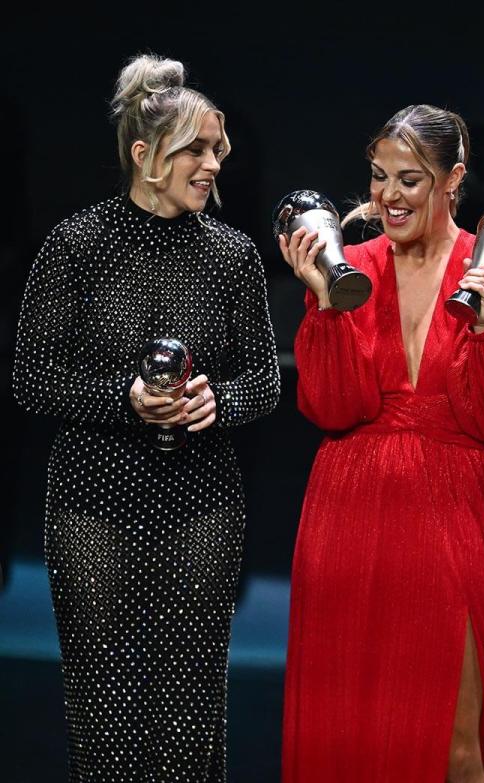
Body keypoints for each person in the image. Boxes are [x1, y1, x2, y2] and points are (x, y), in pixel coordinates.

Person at [12, 53, 280, 781]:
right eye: (196, 149)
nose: (212, 165)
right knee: (103, 698)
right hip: (92, 502)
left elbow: (265, 381)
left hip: (202, 504)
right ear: (145, 154)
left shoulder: (234, 256)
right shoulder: (75, 245)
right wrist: (122, 401)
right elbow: (30, 380)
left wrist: (219, 401)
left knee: (190, 700)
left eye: (216, 150)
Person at [278, 104, 484, 783]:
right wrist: (324, 298)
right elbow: (332, 405)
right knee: (340, 743)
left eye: (410, 179)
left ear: (454, 178)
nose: (388, 196)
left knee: (456, 753)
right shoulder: (350, 263)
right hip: (345, 510)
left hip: (446, 511)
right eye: (379, 177)